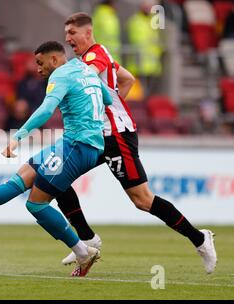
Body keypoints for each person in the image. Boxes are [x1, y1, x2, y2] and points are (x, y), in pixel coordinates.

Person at [0, 41, 113, 277]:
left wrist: (18, 137)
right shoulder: (86, 70)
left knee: (35, 204)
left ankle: (82, 251)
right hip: (77, 144)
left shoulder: (60, 75)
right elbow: (108, 99)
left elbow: (46, 110)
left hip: (77, 146)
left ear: (54, 60)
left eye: (40, 62)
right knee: (19, 180)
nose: (38, 69)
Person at [58, 12, 216, 274]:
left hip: (116, 136)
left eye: (72, 33)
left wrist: (110, 113)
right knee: (58, 178)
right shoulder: (97, 54)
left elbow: (86, 77)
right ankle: (86, 239)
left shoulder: (94, 57)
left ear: (87, 32)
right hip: (100, 135)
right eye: (66, 34)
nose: (67, 39)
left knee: (142, 200)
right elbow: (128, 79)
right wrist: (113, 106)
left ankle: (200, 239)